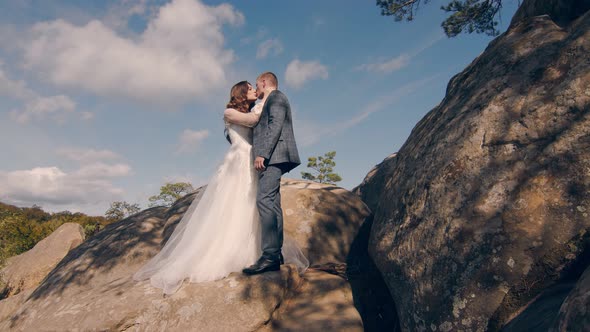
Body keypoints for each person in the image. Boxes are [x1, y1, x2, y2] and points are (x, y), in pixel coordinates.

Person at [133, 81, 308, 295]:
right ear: (242, 93)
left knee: (255, 205)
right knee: (234, 204)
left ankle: (262, 252)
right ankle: (227, 253)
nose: (255, 91)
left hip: (253, 163)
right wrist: (267, 99)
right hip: (239, 162)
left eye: (257, 88)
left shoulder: (254, 108)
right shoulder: (230, 112)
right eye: (251, 89)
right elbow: (253, 121)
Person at [241, 72, 302, 275]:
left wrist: (262, 154)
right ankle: (276, 254)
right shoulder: (271, 100)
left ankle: (269, 256)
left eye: (257, 85)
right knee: (273, 203)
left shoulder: (276, 97)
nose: (256, 90)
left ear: (265, 82)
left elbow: (274, 125)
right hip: (275, 156)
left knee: (264, 200)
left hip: (273, 156)